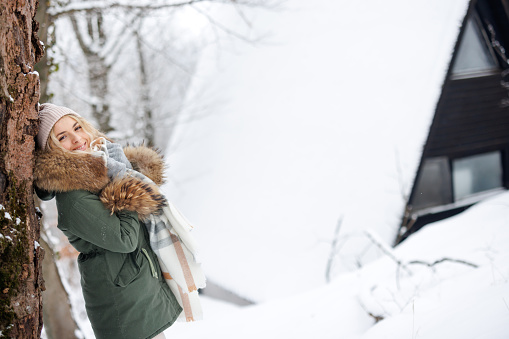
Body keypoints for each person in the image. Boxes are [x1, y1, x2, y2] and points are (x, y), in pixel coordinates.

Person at [33, 103, 182, 339]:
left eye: (77, 127)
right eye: (63, 137)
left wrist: (125, 172)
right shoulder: (73, 197)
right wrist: (125, 185)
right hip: (124, 309)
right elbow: (125, 239)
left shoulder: (106, 167)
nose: (77, 139)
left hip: (141, 294)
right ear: (52, 150)